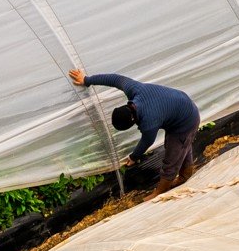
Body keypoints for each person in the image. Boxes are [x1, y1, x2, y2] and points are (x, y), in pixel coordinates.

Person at [69, 69, 201, 192]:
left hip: (186, 122)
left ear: (133, 122)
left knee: (172, 156)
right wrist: (86, 80)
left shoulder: (149, 122)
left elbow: (146, 141)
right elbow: (114, 79)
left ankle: (160, 192)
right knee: (183, 146)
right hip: (182, 104)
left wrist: (133, 157)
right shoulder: (134, 89)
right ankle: (185, 177)